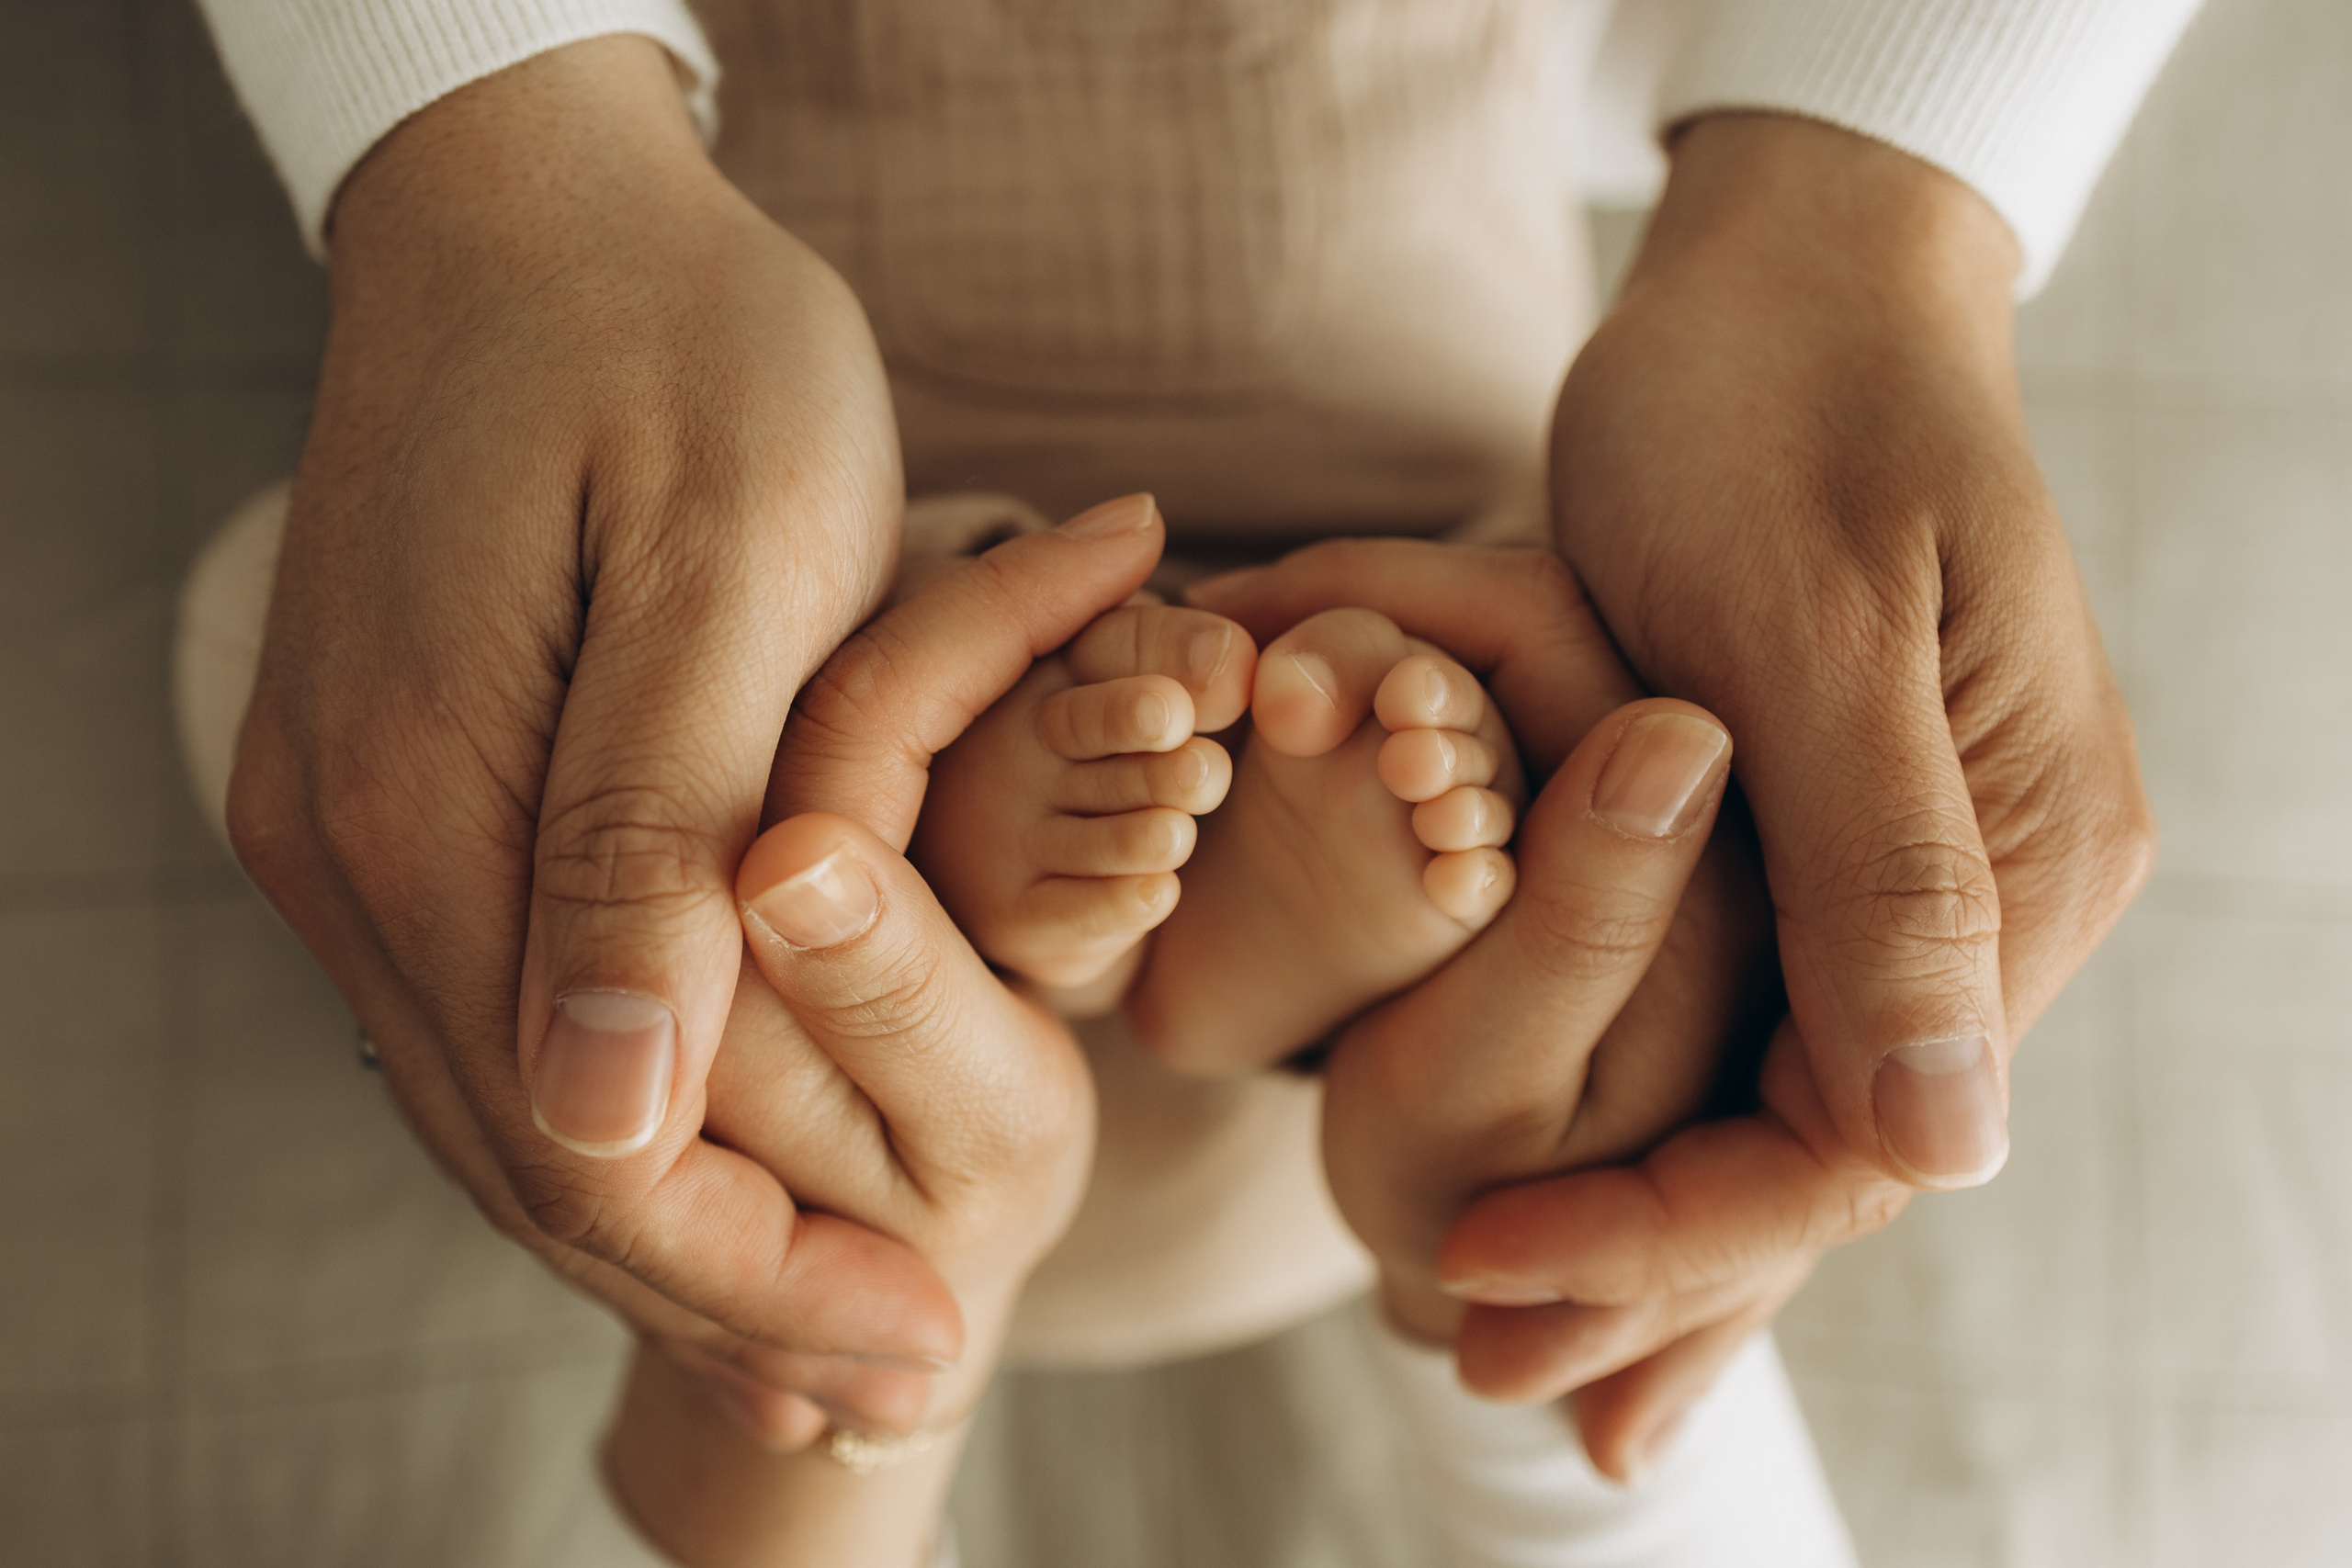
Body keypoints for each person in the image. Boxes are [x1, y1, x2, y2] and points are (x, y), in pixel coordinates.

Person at [187, 0, 2194, 1523]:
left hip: (768, 721)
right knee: (1640, 782)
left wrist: (469, 131)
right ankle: (1312, 979)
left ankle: (899, 1072)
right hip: (1430, 672)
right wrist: (1877, 200)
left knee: (341, 638)